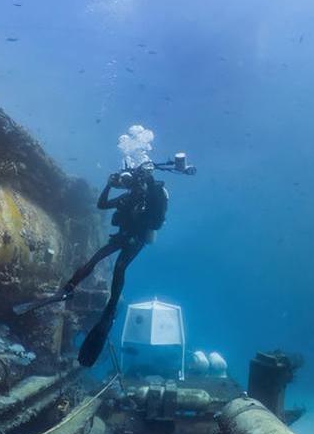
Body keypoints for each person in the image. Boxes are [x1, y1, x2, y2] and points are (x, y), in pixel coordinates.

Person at [17, 153, 191, 367]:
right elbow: (102, 205)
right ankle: (68, 288)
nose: (133, 186)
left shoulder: (154, 196)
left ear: (145, 180)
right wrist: (109, 185)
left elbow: (155, 224)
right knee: (95, 259)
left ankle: (109, 312)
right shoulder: (130, 196)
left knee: (120, 268)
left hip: (136, 239)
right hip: (123, 236)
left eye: (137, 182)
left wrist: (140, 213)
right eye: (131, 182)